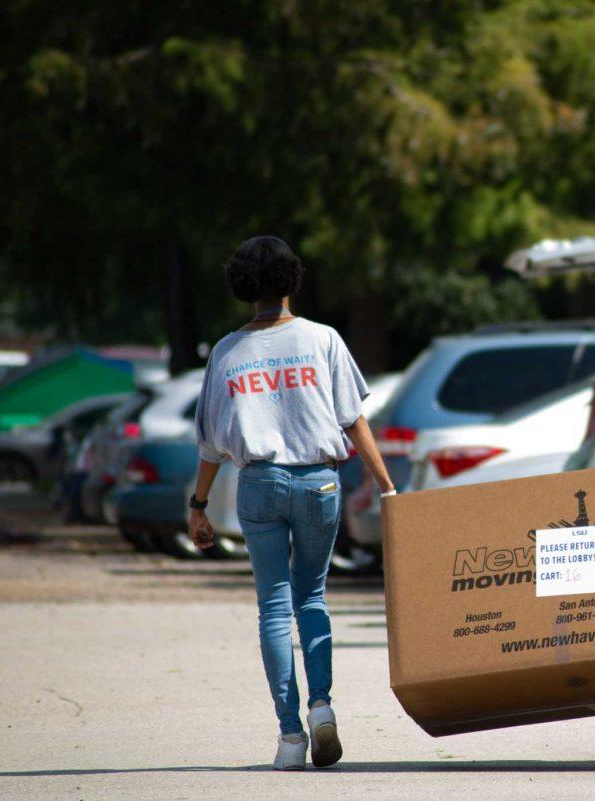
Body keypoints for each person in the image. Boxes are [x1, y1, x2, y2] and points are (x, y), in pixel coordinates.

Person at [188, 236, 395, 769]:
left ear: (242, 286)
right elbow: (354, 420)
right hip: (320, 485)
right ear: (291, 280)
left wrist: (199, 503)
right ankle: (322, 707)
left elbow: (211, 443)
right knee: (313, 598)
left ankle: (289, 739)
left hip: (258, 484)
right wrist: (387, 487)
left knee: (274, 606)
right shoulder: (323, 340)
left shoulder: (227, 353)